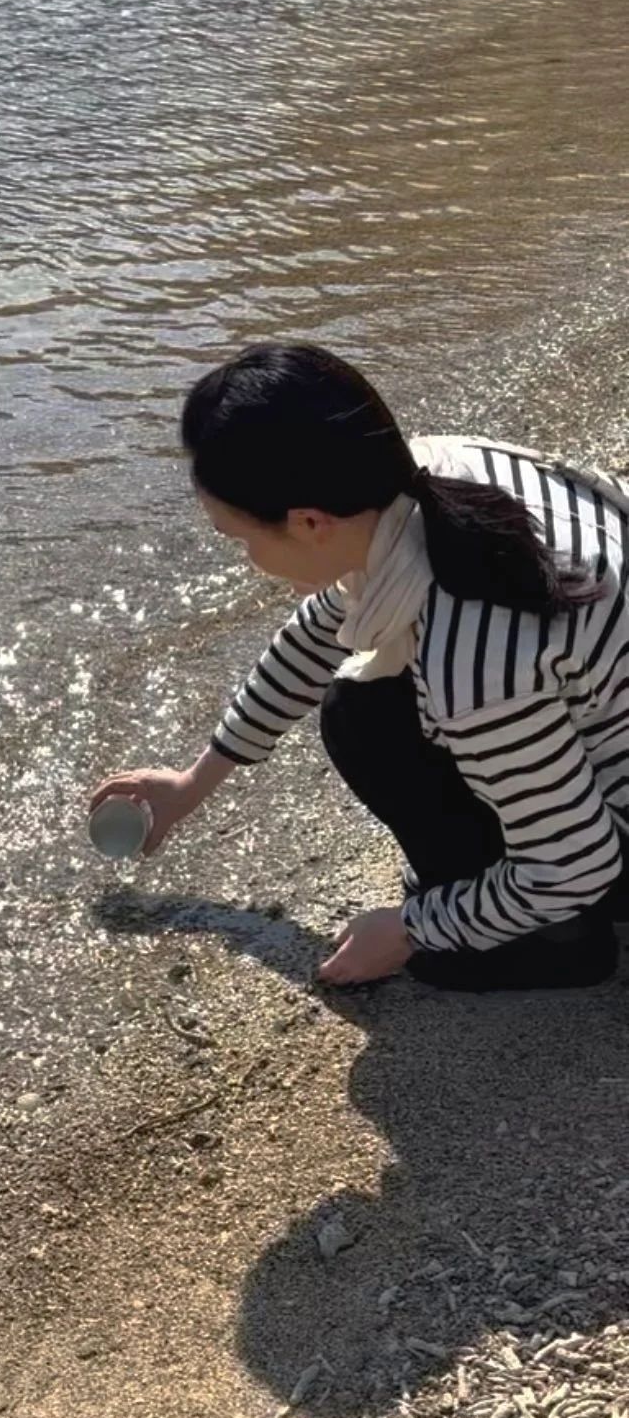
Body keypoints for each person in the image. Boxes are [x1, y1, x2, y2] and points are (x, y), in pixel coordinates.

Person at [90, 342, 629, 992]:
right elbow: (317, 636)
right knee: (364, 690)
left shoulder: (479, 665)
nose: (245, 560)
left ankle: (563, 943)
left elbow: (574, 867)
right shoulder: (435, 474)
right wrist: (190, 785)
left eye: (241, 540)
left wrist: (411, 928)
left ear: (309, 521)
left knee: (361, 716)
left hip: (589, 854)